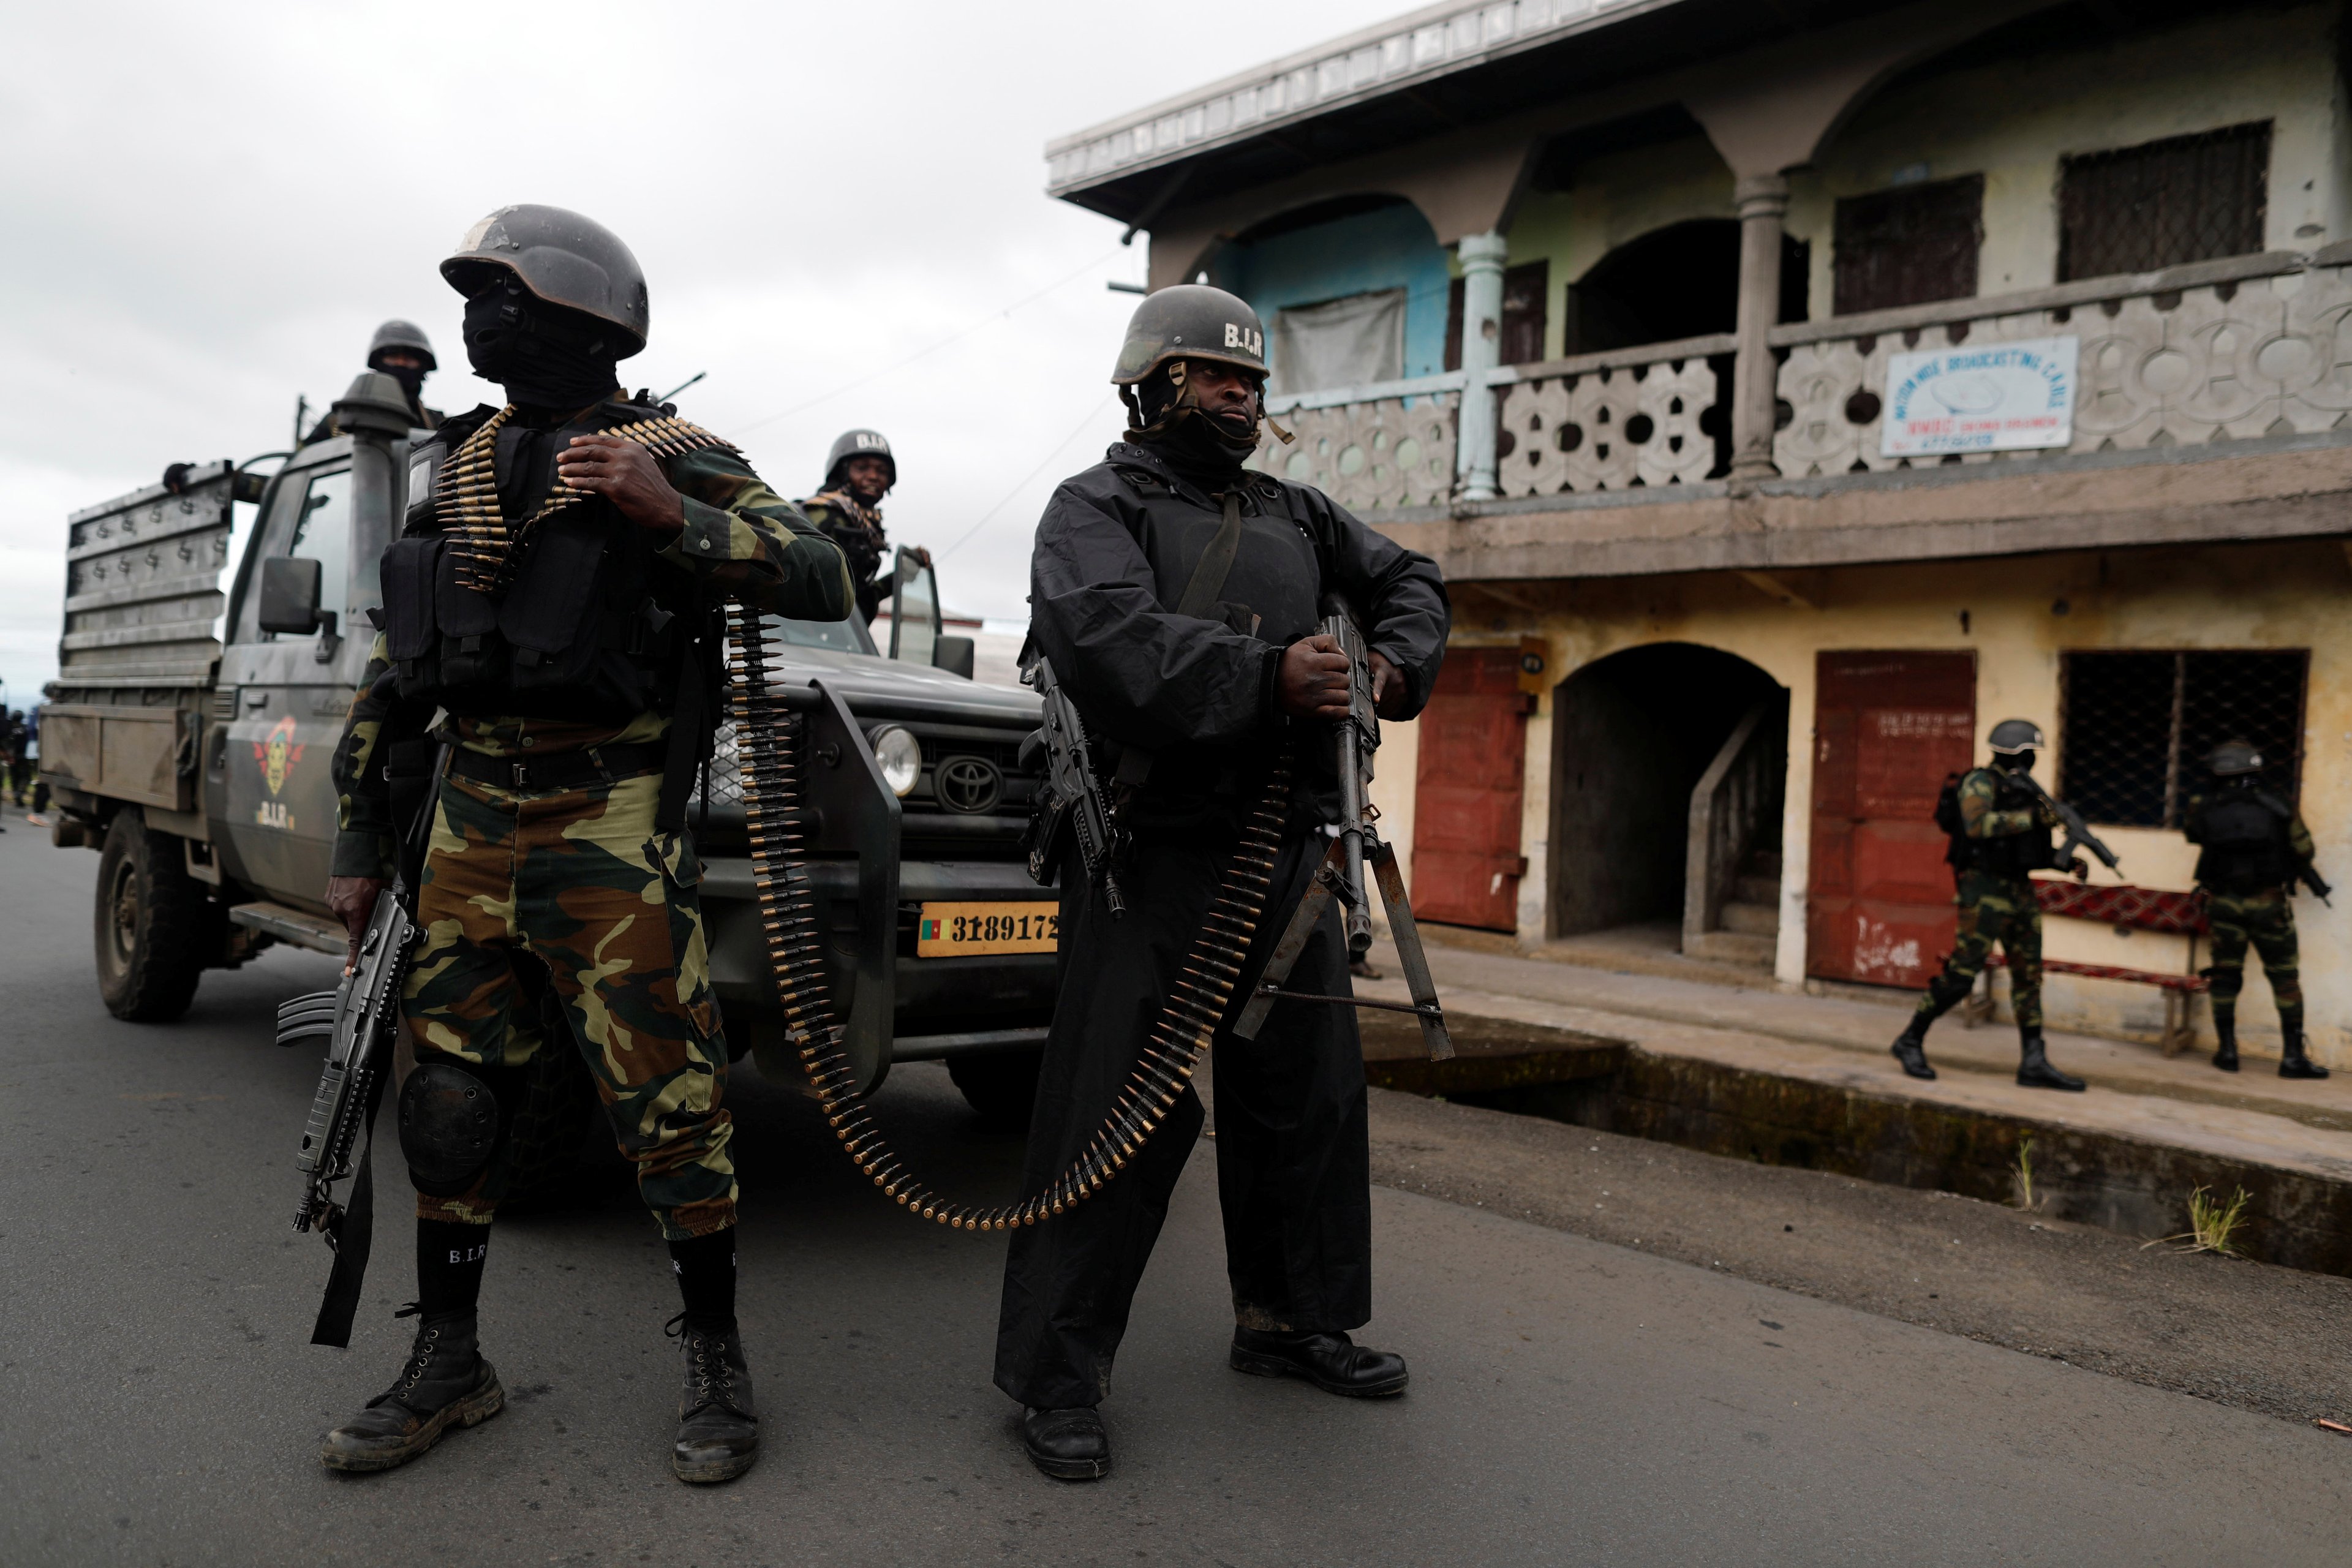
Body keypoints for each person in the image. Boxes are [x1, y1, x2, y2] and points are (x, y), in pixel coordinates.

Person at [317, 205, 853, 1483]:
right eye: (470, 298)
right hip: (465, 817)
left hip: (607, 819)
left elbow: (824, 568)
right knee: (448, 1102)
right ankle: (450, 1356)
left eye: (498, 295)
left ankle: (716, 1356)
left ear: (577, 312)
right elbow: (403, 670)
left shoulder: (670, 449)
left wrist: (674, 517)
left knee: (668, 1103)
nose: (476, 320)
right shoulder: (459, 463)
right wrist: (357, 830)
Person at [994, 284, 1450, 1480]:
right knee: (1113, 1112)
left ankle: (1290, 1317)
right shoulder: (1093, 508)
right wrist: (1267, 677)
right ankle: (1056, 1372)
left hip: (1291, 846)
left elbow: (1413, 577)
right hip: (1155, 854)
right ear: (1151, 386)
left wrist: (1394, 665)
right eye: (1213, 376)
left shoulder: (1300, 514)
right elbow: (1106, 637)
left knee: (1306, 1097)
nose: (1239, 396)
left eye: (1250, 380)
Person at [1889, 719, 2087, 1091]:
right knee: (1963, 974)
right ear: (2014, 752)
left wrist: (2064, 861)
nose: (2032, 759)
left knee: (2029, 975)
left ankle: (2034, 1060)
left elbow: (2023, 847)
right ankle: (1910, 1040)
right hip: (1983, 891)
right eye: (2029, 752)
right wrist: (2033, 817)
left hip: (2019, 892)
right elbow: (1978, 826)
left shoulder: (2026, 790)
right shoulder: (1978, 782)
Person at [2184, 739, 2329, 1079]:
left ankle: (2227, 1053)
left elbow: (2195, 836)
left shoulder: (2202, 806)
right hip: (2269, 904)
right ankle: (2293, 1058)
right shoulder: (2278, 804)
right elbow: (2304, 849)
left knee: (2225, 975)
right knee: (2285, 978)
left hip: (2223, 903)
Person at [800, 429, 913, 624]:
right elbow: (817, 590)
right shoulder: (819, 515)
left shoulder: (868, 525)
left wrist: (901, 576)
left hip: (841, 632)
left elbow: (858, 598)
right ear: (842, 472)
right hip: (809, 630)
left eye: (882, 471)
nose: (873, 477)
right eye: (862, 468)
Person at [304, 320, 443, 442]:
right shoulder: (338, 421)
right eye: (393, 356)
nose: (401, 363)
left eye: (410, 358)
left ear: (424, 368)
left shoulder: (439, 425)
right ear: (378, 364)